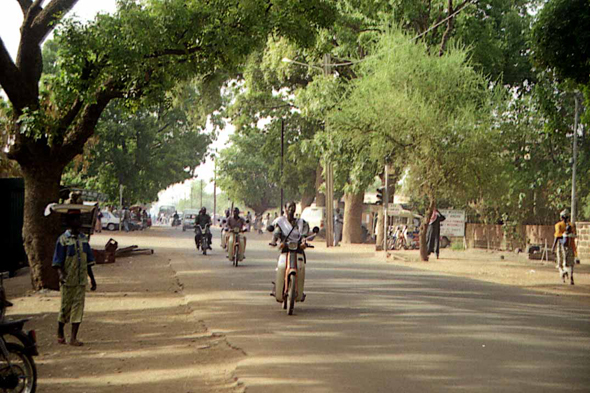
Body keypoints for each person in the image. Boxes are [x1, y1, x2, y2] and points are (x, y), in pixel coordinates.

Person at [52, 210, 97, 346]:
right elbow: (57, 261)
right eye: (75, 220)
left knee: (78, 308)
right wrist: (61, 275)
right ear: (70, 222)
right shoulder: (62, 240)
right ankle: (60, 331)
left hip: (81, 280)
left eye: (79, 220)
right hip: (68, 280)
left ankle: (73, 337)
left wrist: (92, 279)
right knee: (65, 307)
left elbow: (88, 262)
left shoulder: (83, 239)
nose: (79, 223)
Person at [269, 201, 310, 298]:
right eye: (289, 207)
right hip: (285, 248)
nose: (291, 209)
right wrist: (274, 241)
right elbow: (276, 233)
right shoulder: (280, 222)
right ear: (285, 209)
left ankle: (300, 290)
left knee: (301, 267)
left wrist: (304, 242)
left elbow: (304, 235)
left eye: (293, 207)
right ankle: (276, 287)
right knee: (280, 266)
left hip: (298, 248)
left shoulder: (301, 222)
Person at [552, 209, 579, 285]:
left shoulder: (558, 225)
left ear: (561, 217)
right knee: (571, 263)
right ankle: (571, 277)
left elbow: (557, 237)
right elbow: (574, 235)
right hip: (571, 246)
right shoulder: (572, 225)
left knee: (560, 262)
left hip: (561, 246)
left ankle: (563, 273)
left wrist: (553, 247)